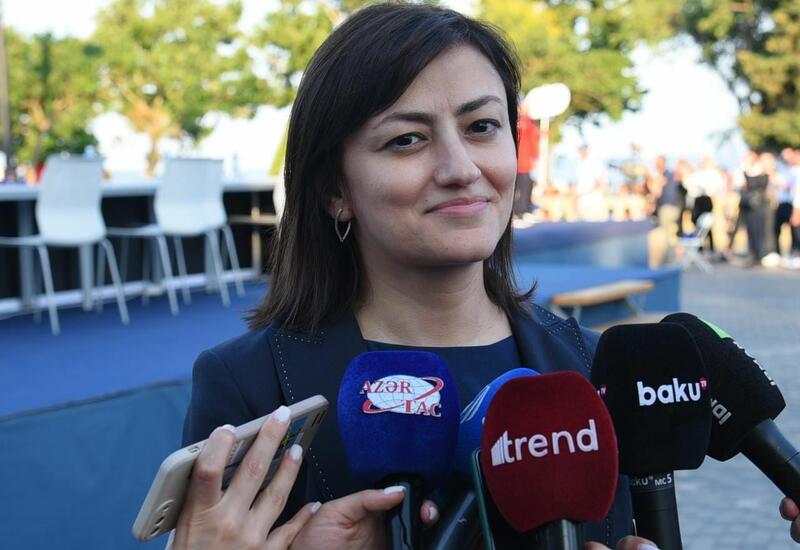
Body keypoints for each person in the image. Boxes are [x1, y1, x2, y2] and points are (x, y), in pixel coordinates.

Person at [169, 4, 799, 549]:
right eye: (407, 140)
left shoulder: (591, 367)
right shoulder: (251, 387)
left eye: (481, 127)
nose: (461, 167)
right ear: (336, 189)